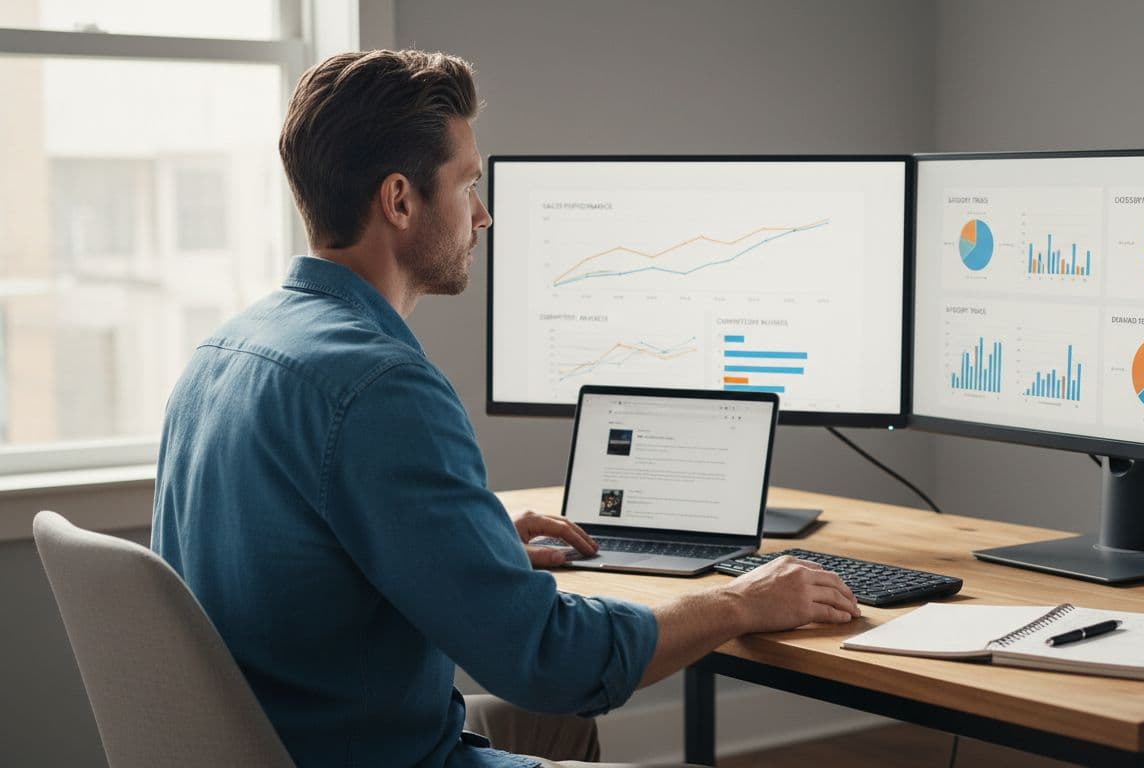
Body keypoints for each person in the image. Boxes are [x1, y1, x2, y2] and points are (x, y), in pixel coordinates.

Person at [150, 49, 860, 768]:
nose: (483, 216)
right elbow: (551, 663)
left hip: (278, 739)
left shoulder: (224, 350)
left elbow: (301, 562)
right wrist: (739, 603)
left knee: (558, 738)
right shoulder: (381, 385)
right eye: (468, 186)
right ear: (400, 200)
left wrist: (468, 541)